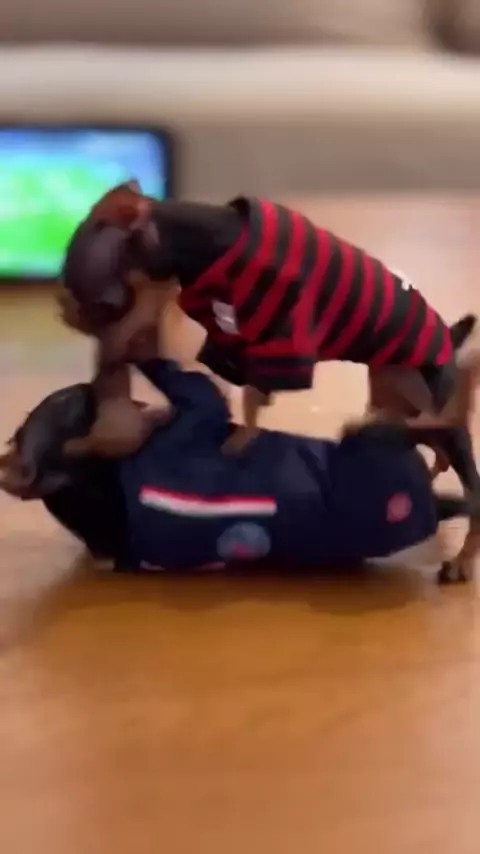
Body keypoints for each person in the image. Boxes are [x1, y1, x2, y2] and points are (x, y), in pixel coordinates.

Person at [0, 356, 477, 583]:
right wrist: (146, 358)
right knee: (362, 444)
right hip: (371, 501)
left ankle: (451, 506)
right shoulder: (164, 453)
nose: (139, 406)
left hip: (359, 540)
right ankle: (446, 436)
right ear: (106, 446)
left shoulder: (119, 541)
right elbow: (207, 400)